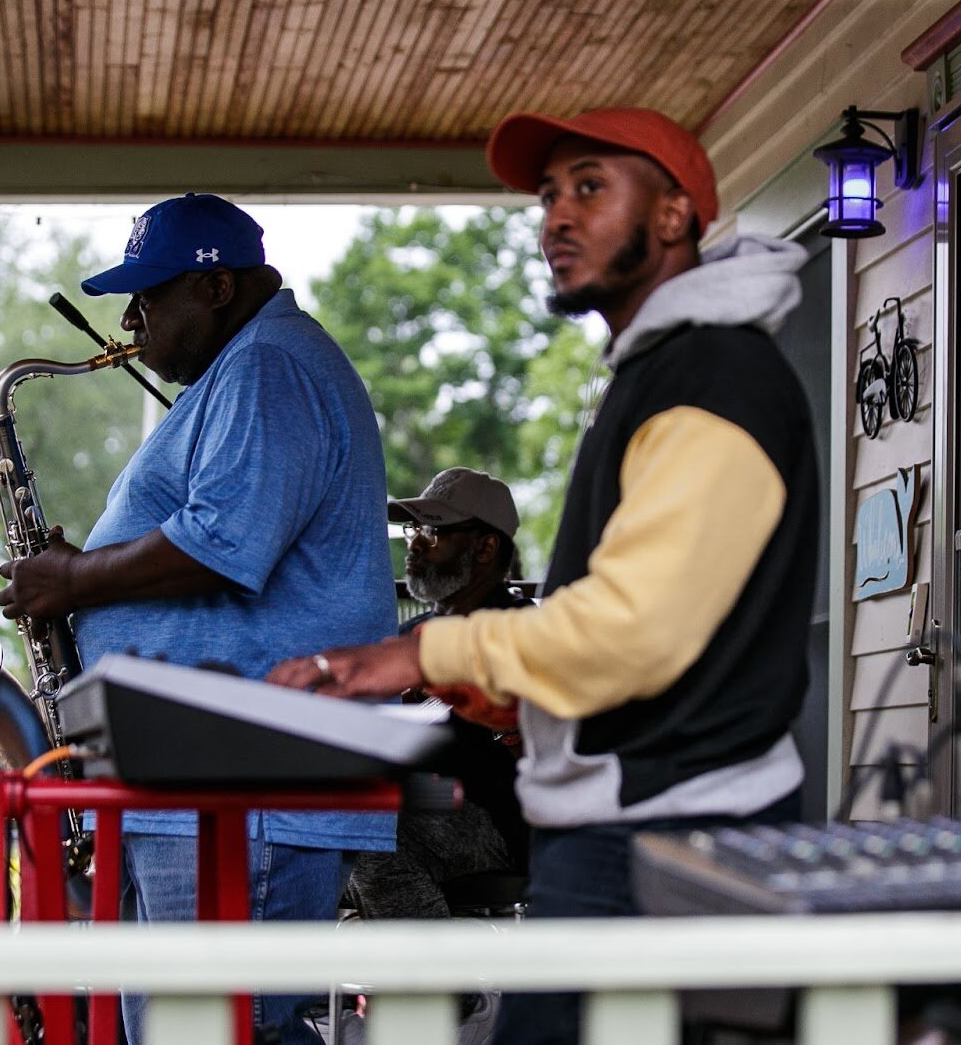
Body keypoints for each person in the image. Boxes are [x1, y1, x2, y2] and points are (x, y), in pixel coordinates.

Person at [268, 107, 817, 1044]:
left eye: (592, 187)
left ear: (678, 214)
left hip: (668, 836)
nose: (557, 217)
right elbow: (677, 633)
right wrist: (531, 704)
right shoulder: (666, 370)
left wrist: (416, 654)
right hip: (640, 822)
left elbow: (635, 631)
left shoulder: (714, 376)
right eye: (549, 195)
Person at [0, 192, 397, 1045]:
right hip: (201, 787)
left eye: (151, 296)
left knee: (221, 1029)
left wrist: (74, 579)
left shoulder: (269, 367)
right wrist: (91, 571)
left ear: (215, 289)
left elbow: (221, 546)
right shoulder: (250, 369)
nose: (135, 318)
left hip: (240, 791)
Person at [344, 467, 532, 920]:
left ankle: (439, 990)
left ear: (485, 547)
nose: (414, 542)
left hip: (499, 824)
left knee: (375, 838)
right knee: (319, 826)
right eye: (413, 529)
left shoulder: (519, 630)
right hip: (417, 805)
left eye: (433, 531)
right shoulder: (407, 638)